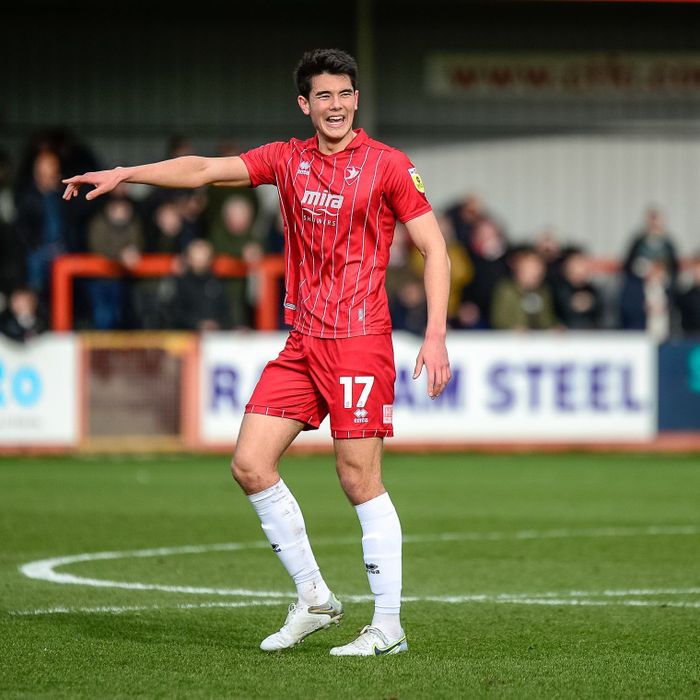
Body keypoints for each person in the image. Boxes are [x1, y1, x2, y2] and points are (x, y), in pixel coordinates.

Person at [62, 48, 451, 657]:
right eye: (323, 96)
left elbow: (435, 247)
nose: (336, 105)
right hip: (303, 342)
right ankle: (316, 598)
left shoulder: (389, 166)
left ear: (357, 99)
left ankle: (390, 626)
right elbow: (202, 171)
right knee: (250, 463)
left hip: (357, 342)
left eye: (345, 94)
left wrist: (434, 333)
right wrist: (126, 174)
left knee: (357, 478)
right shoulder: (286, 161)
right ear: (305, 104)